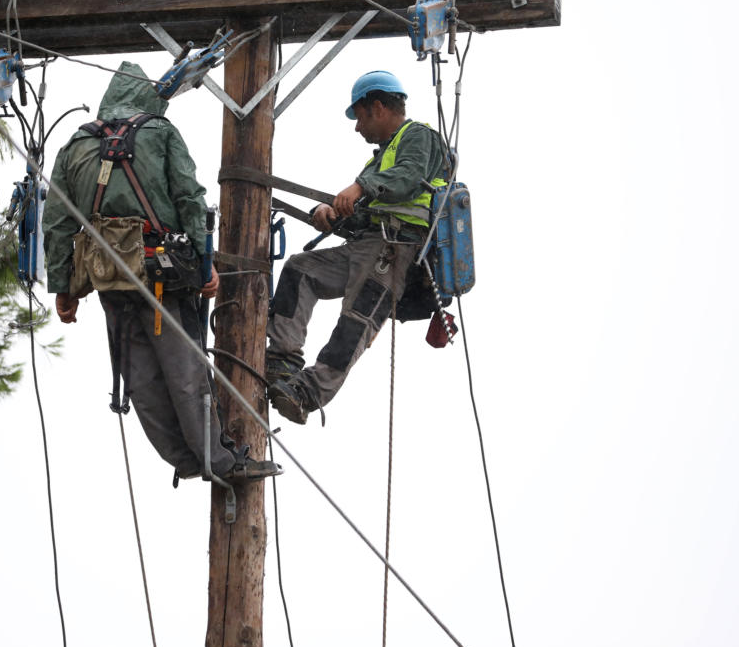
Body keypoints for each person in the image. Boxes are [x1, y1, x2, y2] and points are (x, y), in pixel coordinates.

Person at [43, 61, 281, 484]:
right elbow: (190, 197)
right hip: (162, 275)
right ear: (145, 96)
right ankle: (220, 462)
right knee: (186, 372)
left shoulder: (75, 145)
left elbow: (58, 222)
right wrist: (206, 265)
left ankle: (185, 458)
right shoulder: (159, 132)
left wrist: (63, 288)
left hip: (110, 280)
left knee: (138, 378)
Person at [266, 70, 449, 424]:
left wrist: (360, 187)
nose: (357, 128)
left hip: (395, 250)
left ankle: (308, 392)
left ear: (377, 107)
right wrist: (334, 216)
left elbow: (409, 178)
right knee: (300, 269)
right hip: (368, 245)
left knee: (355, 322)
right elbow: (373, 210)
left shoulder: (419, 137)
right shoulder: (381, 159)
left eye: (360, 117)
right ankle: (282, 359)